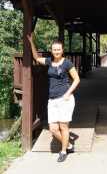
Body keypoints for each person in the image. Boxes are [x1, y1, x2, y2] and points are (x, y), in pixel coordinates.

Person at [27, 33, 80, 162]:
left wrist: (68, 93)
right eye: (54, 49)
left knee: (63, 126)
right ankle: (68, 145)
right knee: (53, 128)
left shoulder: (67, 63)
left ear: (62, 50)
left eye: (58, 49)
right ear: (51, 50)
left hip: (65, 99)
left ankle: (63, 151)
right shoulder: (49, 61)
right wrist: (31, 42)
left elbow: (77, 79)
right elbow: (36, 57)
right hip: (52, 100)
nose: (56, 51)